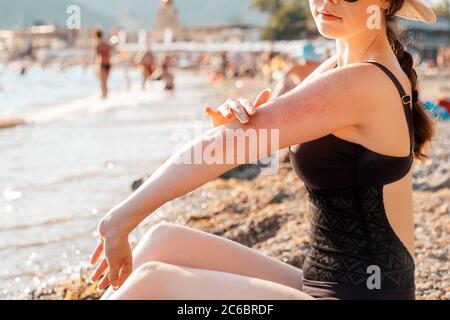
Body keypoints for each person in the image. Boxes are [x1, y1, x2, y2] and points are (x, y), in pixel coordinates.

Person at [89, 0, 437, 300]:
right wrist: (238, 116)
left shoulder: (363, 80)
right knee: (162, 241)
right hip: (320, 283)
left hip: (362, 295)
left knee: (153, 283)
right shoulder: (335, 70)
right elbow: (253, 135)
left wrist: (118, 221)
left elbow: (228, 147)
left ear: (386, 3)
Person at [94, 29, 113, 99]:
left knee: (102, 81)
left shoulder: (98, 45)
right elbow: (112, 50)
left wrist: (95, 67)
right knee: (106, 81)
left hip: (102, 64)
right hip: (108, 64)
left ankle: (103, 96)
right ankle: (105, 96)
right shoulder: (106, 44)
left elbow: (97, 56)